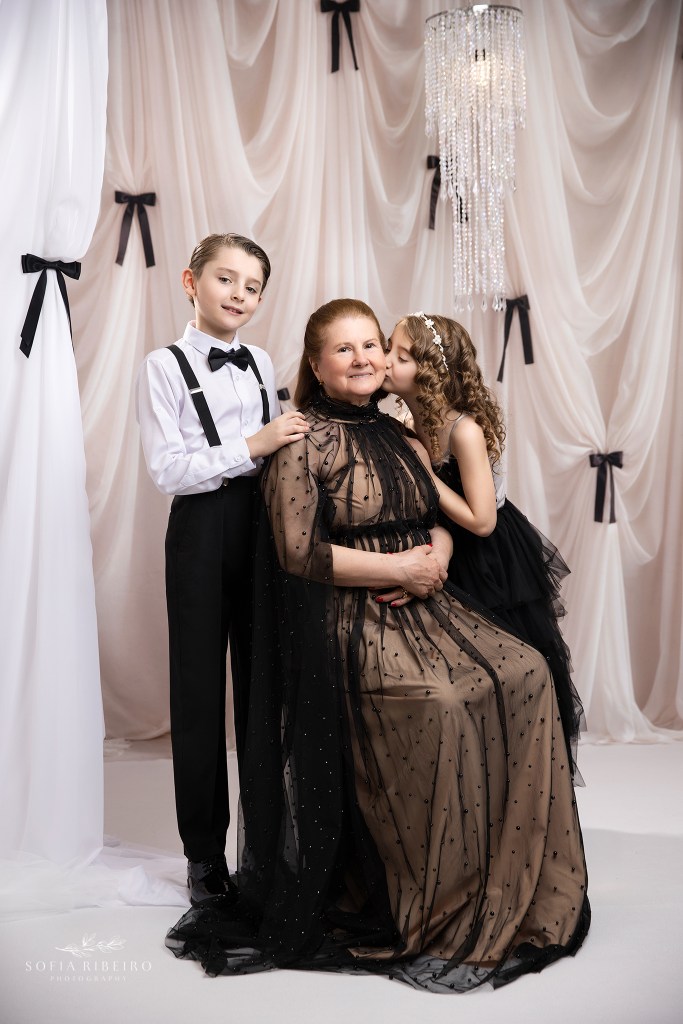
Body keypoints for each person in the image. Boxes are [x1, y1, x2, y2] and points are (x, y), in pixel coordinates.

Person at [165, 298, 590, 991]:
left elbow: (440, 510)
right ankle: (434, 901)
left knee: (528, 671)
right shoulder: (301, 440)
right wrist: (397, 570)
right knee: (442, 700)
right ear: (316, 365)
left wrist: (436, 557)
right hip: (350, 613)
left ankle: (505, 879)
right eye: (345, 349)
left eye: (371, 345)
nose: (364, 358)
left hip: (426, 597)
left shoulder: (401, 432)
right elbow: (299, 554)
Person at [135, 233, 309, 905]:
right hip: (201, 529)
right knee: (199, 694)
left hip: (263, 530)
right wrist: (253, 443)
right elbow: (169, 470)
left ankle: (265, 844)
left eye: (252, 286)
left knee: (262, 690)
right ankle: (204, 855)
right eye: (225, 279)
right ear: (191, 282)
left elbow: (278, 454)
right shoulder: (162, 365)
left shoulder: (260, 361)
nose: (239, 294)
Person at [383, 311, 584, 778]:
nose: (386, 360)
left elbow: (482, 520)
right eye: (388, 348)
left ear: (431, 371)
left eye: (401, 356)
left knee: (503, 671)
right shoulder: (407, 420)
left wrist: (423, 472)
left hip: (490, 556)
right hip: (445, 545)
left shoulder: (464, 430)